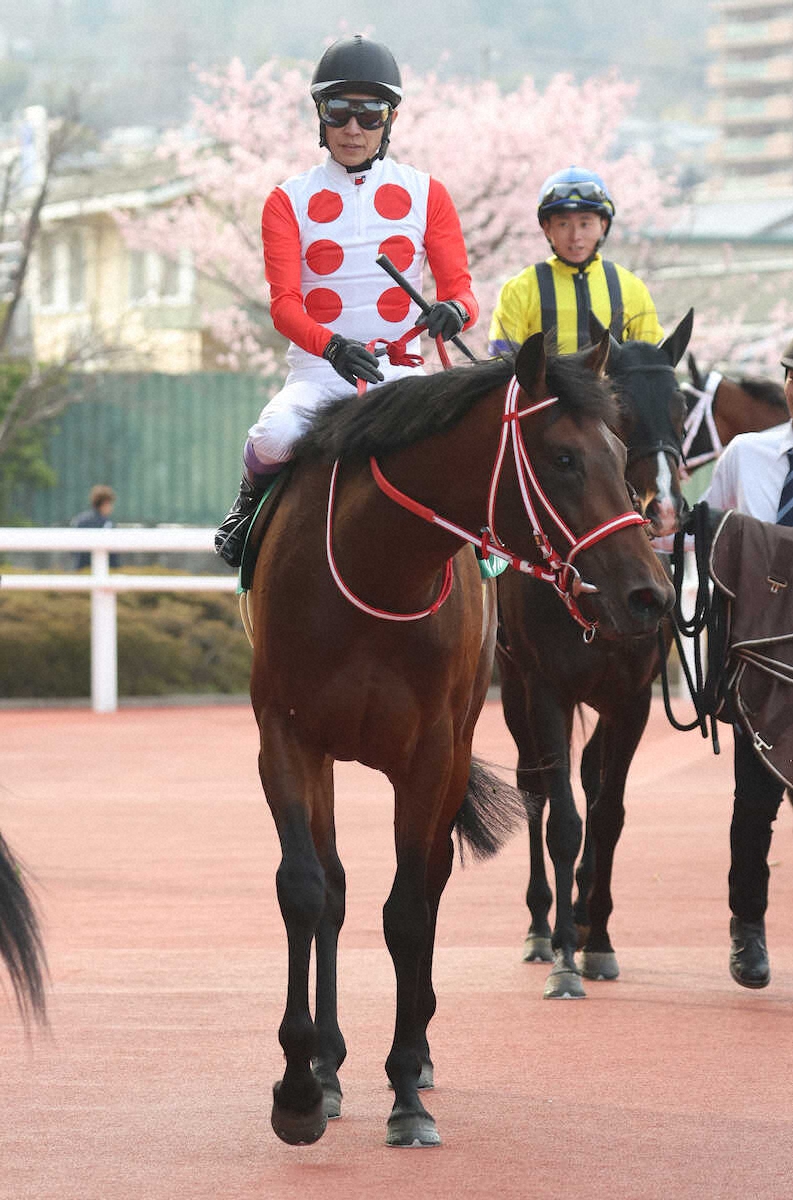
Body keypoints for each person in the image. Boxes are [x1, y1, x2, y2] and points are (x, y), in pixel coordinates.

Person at [215, 34, 478, 567]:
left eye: (370, 114)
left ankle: (480, 553)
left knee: (461, 449)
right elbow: (285, 305)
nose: (353, 129)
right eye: (339, 112)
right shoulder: (287, 199)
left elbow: (460, 292)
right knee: (274, 435)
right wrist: (333, 347)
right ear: (320, 115)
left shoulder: (429, 193)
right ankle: (246, 505)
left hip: (400, 375)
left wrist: (454, 313)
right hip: (320, 372)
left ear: (390, 121)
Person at [699, 335, 793, 989]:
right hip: (759, 658)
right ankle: (746, 928)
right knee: (752, 805)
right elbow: (710, 535)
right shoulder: (746, 454)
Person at [488, 165, 663, 357]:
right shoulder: (519, 289)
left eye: (585, 223)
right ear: (547, 228)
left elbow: (651, 361)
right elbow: (501, 364)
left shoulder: (631, 287)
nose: (575, 236)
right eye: (563, 224)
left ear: (603, 226)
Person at [71, 484, 120, 570]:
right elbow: (113, 553)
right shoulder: (107, 524)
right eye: (111, 504)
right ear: (105, 503)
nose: (112, 508)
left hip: (80, 569)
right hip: (104, 569)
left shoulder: (80, 520)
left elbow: (73, 550)